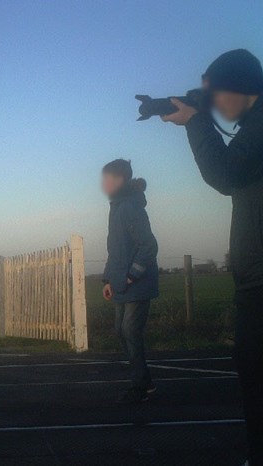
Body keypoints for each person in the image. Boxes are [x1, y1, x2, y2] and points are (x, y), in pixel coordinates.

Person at [161, 49, 263, 466]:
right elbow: (233, 177)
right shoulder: (252, 129)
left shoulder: (259, 127)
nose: (215, 103)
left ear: (240, 87)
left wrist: (195, 121)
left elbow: (223, 175)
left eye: (217, 93)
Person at [101, 159, 159, 404]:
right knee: (121, 332)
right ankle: (142, 382)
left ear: (120, 180)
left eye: (108, 178)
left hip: (138, 284)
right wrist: (107, 279)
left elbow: (149, 246)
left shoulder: (131, 207)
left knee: (130, 331)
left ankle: (141, 386)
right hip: (120, 284)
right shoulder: (116, 207)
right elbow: (115, 250)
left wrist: (130, 275)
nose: (103, 183)